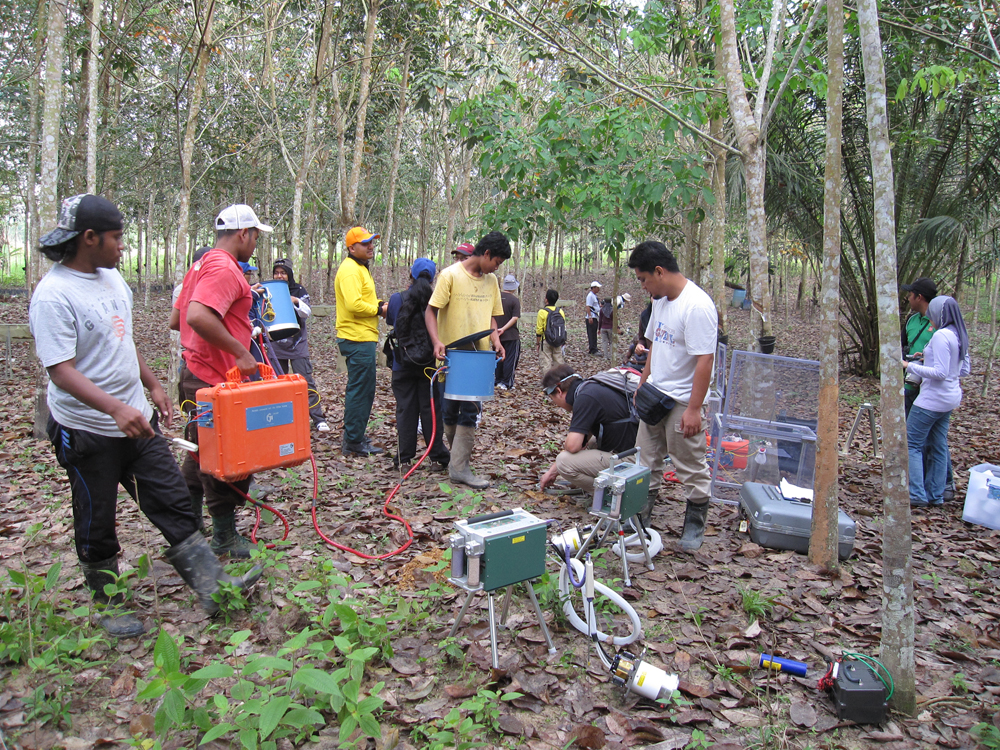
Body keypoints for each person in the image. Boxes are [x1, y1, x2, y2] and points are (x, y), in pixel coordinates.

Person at [30, 194, 260, 637]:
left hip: (136, 420)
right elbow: (60, 370)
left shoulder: (113, 281)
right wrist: (113, 408)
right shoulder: (54, 295)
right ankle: (108, 601)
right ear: (90, 238)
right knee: (96, 517)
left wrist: (151, 384)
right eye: (116, 238)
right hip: (87, 429)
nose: (123, 247)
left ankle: (211, 584)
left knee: (172, 498)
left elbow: (121, 342)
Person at [175, 203, 272, 559]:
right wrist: (240, 351)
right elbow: (198, 316)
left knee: (200, 449)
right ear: (243, 233)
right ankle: (224, 536)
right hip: (214, 379)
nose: (256, 244)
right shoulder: (225, 267)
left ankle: (188, 523)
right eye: (256, 236)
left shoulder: (201, 264)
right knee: (223, 456)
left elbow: (177, 318)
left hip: (196, 372)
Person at [629, 240, 717, 551]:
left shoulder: (697, 306)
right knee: (646, 460)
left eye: (643, 279)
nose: (643, 286)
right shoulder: (660, 301)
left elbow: (705, 359)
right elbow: (654, 344)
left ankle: (694, 524)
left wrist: (694, 408)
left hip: (682, 400)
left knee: (689, 463)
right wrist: (643, 383)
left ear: (659, 271)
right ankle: (641, 521)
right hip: (655, 394)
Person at [426, 230, 511, 489]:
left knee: (470, 411)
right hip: (452, 356)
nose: (496, 267)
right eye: (496, 262)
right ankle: (457, 464)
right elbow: (431, 311)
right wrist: (436, 341)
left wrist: (496, 340)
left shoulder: (491, 281)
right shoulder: (450, 275)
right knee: (449, 409)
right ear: (486, 254)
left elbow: (492, 317)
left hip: (478, 358)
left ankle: (459, 467)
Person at [903, 296, 970, 508]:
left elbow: (940, 373)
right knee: (939, 444)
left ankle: (916, 494)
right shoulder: (958, 334)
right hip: (950, 398)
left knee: (911, 444)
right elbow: (963, 370)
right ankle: (936, 495)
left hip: (932, 399)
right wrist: (927, 359)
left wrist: (909, 365)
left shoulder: (941, 335)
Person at [386, 258, 450, 470]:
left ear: (410, 275)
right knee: (431, 409)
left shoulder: (397, 299)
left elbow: (392, 321)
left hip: (402, 363)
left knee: (406, 409)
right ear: (433, 279)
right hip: (429, 363)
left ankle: (404, 460)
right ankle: (436, 457)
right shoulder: (437, 301)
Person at [539, 364, 638, 494]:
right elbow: (584, 440)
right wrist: (552, 472)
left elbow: (572, 446)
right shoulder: (591, 388)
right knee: (590, 443)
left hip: (631, 460)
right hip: (639, 451)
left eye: (553, 399)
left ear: (559, 391)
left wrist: (555, 470)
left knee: (564, 462)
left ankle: (611, 494)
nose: (556, 404)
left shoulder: (585, 397)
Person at [334, 226, 388, 456]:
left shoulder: (360, 268)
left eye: (371, 242)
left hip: (363, 336)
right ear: (351, 248)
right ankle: (353, 441)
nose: (370, 246)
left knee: (364, 389)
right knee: (360, 390)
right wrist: (378, 310)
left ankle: (355, 435)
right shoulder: (350, 270)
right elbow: (354, 304)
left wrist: (380, 304)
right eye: (365, 243)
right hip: (356, 337)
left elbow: (364, 298)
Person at [270, 258, 330, 432]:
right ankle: (280, 419)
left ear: (289, 274)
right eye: (276, 273)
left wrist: (295, 301)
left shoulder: (299, 290)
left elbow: (306, 312)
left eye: (283, 273)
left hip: (297, 344)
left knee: (306, 381)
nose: (279, 276)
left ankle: (318, 418)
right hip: (276, 344)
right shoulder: (269, 290)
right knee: (276, 383)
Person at [901, 278, 937, 415]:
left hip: (930, 388)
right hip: (910, 382)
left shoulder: (938, 322)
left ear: (919, 297)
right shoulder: (911, 320)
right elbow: (902, 345)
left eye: (910, 295)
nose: (908, 298)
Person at [495, 274, 522, 390]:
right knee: (510, 359)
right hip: (511, 336)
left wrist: (497, 330)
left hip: (496, 336)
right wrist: (504, 329)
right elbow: (515, 318)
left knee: (498, 358)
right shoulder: (514, 300)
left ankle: (498, 380)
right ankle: (507, 383)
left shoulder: (496, 298)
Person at [536, 289, 566, 371]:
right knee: (559, 362)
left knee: (546, 363)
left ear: (546, 299)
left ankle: (548, 379)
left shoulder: (542, 312)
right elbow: (563, 327)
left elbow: (539, 330)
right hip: (558, 340)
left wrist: (538, 343)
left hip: (545, 340)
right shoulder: (560, 311)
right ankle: (559, 378)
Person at [586, 281, 602, 355]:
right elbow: (588, 306)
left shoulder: (594, 296)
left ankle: (594, 348)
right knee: (591, 333)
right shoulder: (590, 296)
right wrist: (590, 317)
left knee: (594, 333)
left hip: (595, 316)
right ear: (594, 288)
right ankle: (593, 350)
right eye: (597, 288)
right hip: (592, 317)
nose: (598, 289)